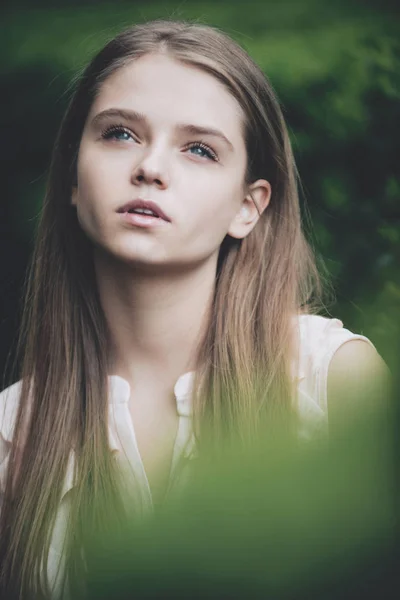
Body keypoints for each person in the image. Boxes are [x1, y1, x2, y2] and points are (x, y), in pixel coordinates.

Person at [0, 19, 390, 600]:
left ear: (248, 208)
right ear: (72, 179)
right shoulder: (11, 435)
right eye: (119, 134)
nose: (151, 167)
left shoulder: (335, 381)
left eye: (199, 149)